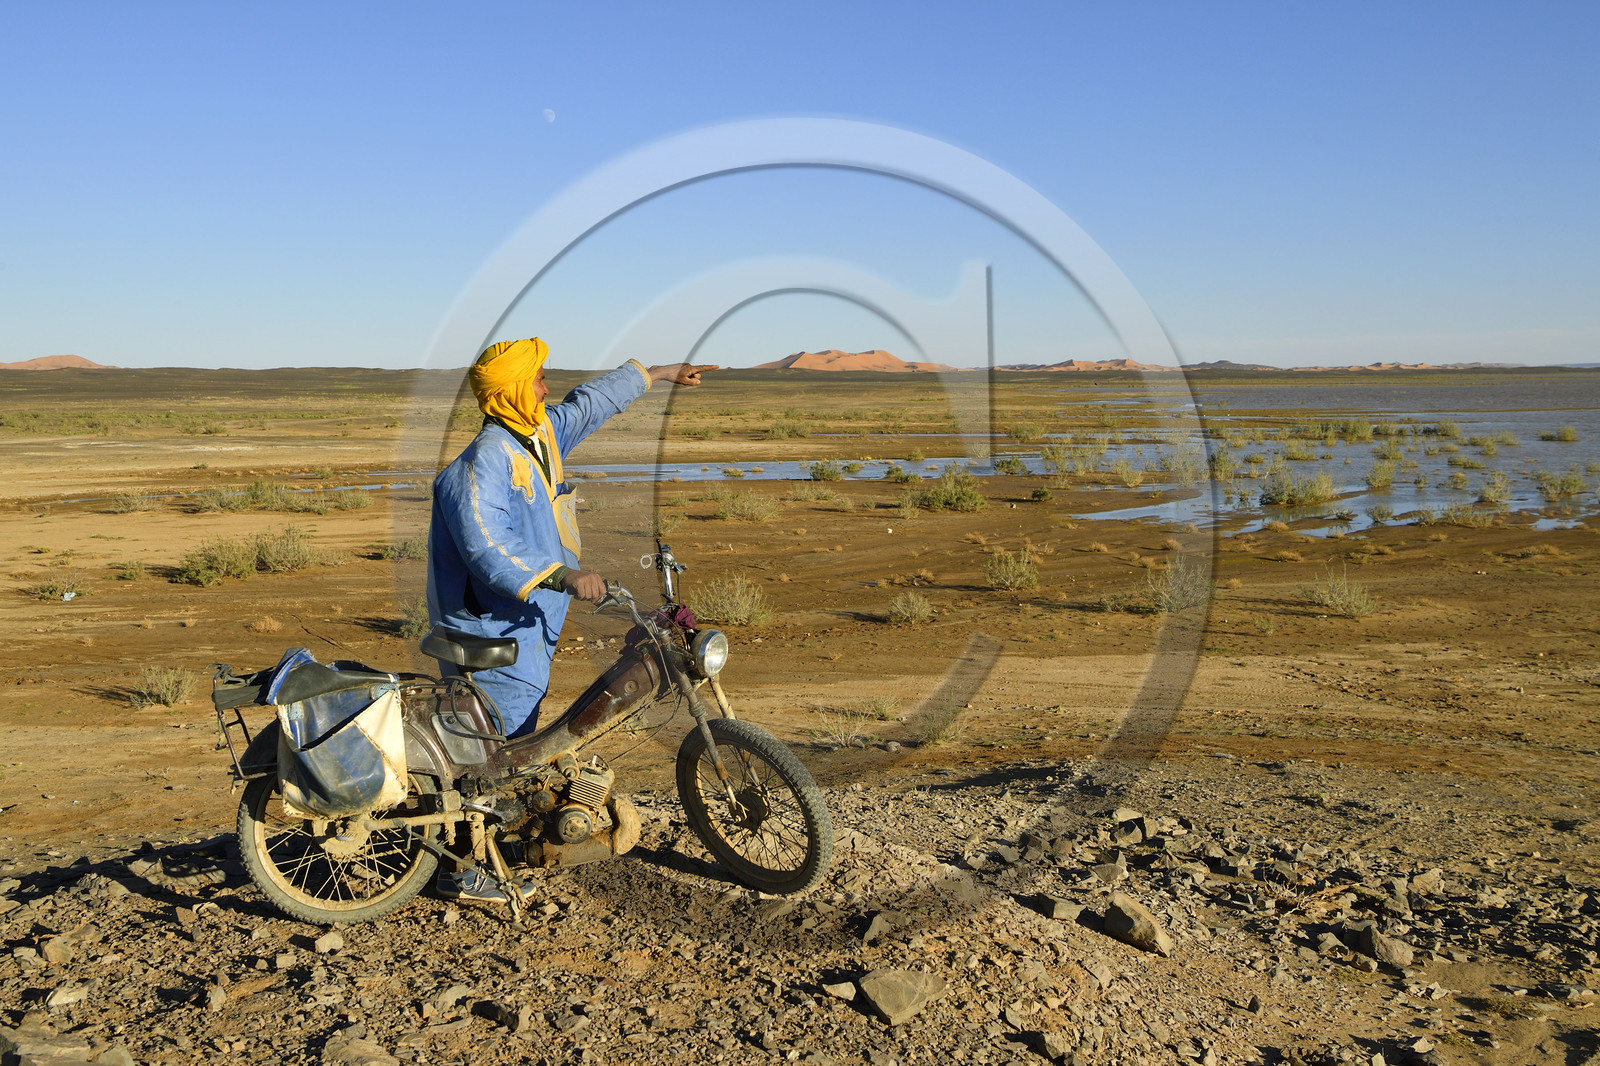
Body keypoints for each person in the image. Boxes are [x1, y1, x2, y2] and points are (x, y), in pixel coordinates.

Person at [426, 337, 714, 899]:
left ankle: (502, 840)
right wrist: (562, 575)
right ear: (512, 391)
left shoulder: (537, 437)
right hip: (493, 627)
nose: (545, 388)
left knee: (520, 739)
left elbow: (589, 404)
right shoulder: (482, 464)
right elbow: (488, 546)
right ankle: (459, 869)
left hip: (528, 619)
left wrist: (657, 372)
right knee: (493, 753)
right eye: (537, 379)